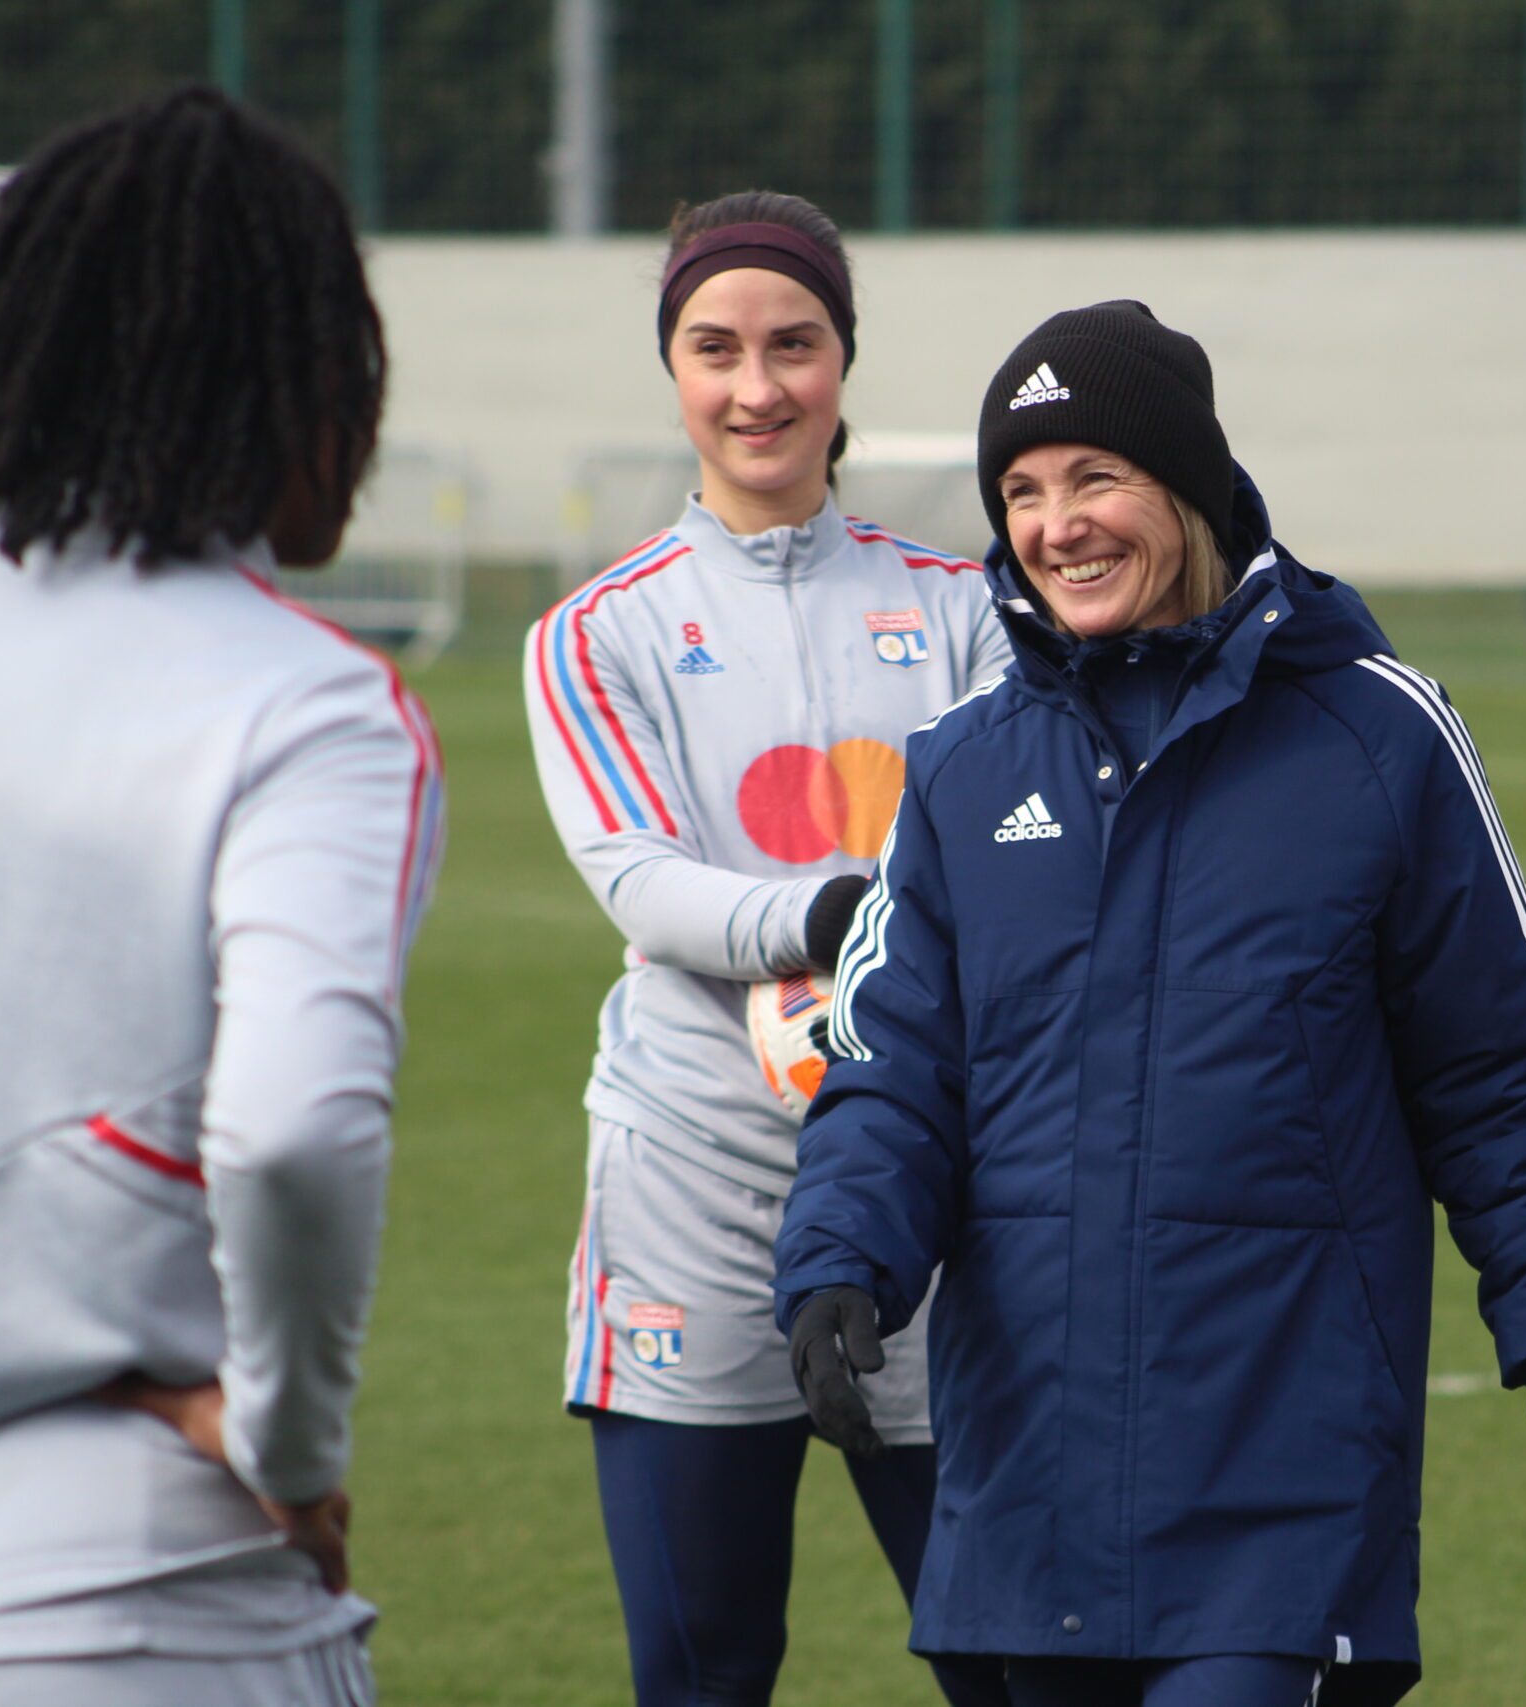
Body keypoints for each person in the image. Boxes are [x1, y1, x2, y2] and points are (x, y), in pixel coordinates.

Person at [773, 301, 1526, 1707]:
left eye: (1095, 478)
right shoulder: (961, 773)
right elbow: (893, 1073)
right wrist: (837, 1265)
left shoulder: (1381, 739)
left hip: (1283, 1483)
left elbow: (1496, 1083)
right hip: (1029, 1490)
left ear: (1185, 488)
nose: (1059, 525)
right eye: (1023, 492)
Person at [0, 87, 438, 1705]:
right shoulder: (300, 702)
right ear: (296, 373)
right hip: (113, 1591)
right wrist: (283, 1442)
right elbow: (292, 1130)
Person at [522, 191, 1012, 1707]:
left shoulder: (967, 609)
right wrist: (838, 916)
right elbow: (640, 879)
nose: (758, 387)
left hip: (933, 1202)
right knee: (704, 1671)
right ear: (672, 367)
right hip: (691, 1204)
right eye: (715, 347)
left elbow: (1017, 865)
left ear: (842, 363)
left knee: (1013, 1665)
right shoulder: (597, 631)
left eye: (794, 344)